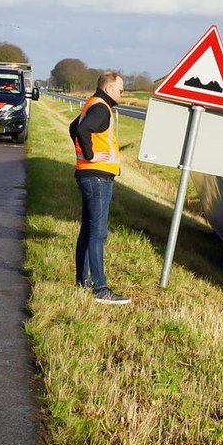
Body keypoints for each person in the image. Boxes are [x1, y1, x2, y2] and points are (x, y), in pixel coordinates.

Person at [69, 71, 130, 304]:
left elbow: (73, 128)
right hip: (97, 177)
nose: (122, 94)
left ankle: (82, 282)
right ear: (108, 89)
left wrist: (84, 157)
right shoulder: (101, 108)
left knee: (88, 230)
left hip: (89, 175)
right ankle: (100, 288)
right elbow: (82, 131)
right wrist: (90, 155)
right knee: (98, 232)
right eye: (120, 89)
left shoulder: (92, 104)